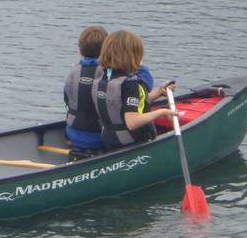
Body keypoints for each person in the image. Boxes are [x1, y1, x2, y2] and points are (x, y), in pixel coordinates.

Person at [93, 30, 175, 152]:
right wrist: (162, 112)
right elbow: (132, 122)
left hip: (111, 141)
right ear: (132, 57)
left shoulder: (102, 79)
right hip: (133, 143)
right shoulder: (130, 84)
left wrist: (158, 92)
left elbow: (124, 105)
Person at [64, 25, 108, 156]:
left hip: (72, 133)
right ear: (106, 49)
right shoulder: (108, 73)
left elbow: (66, 98)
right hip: (99, 136)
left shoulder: (73, 71)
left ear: (80, 49)